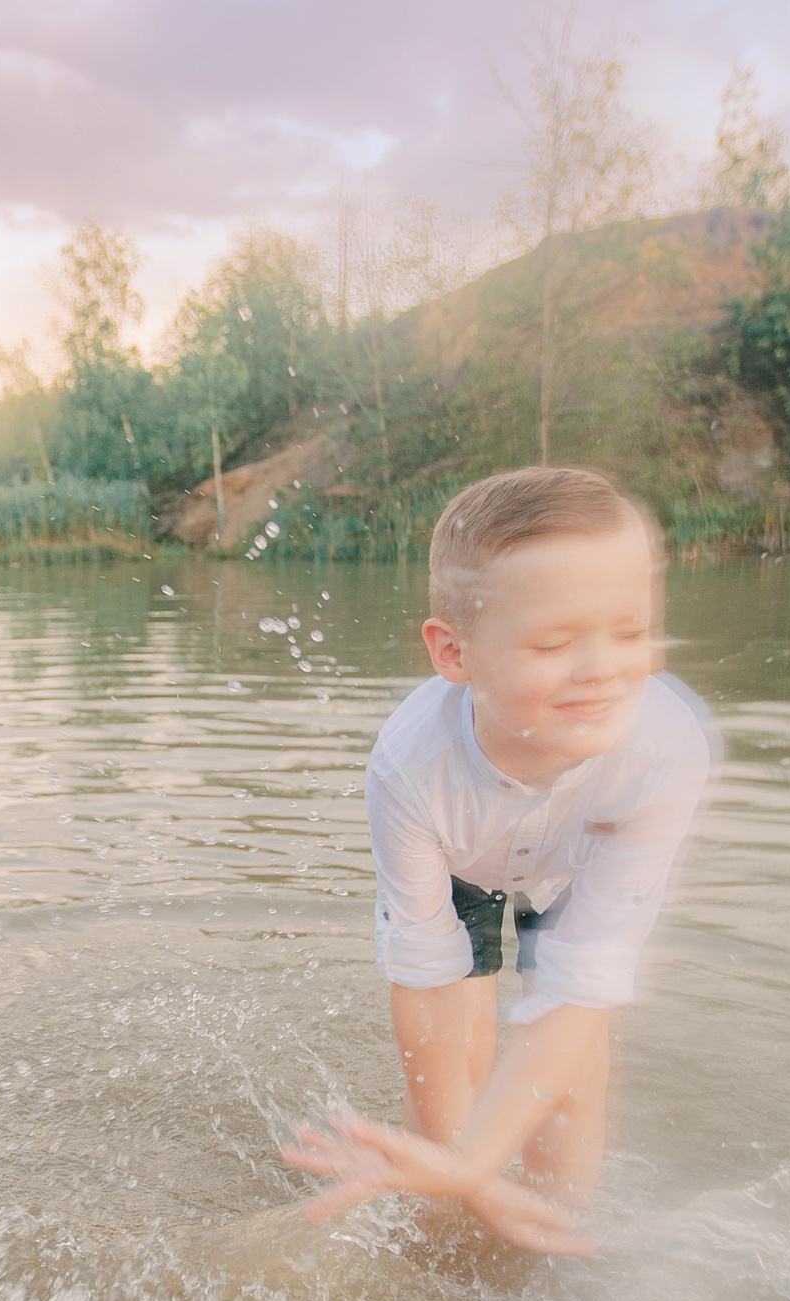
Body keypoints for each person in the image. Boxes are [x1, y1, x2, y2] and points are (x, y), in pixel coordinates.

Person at [280, 466, 716, 1255]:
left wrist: (484, 1158)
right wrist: (465, 1172)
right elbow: (422, 972)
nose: (604, 669)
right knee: (456, 1066)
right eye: (553, 642)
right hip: (461, 861)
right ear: (455, 653)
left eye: (630, 630)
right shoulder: (410, 769)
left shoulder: (665, 749)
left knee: (573, 1082)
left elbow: (586, 979)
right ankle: (435, 1254)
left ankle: (557, 1258)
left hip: (581, 864)